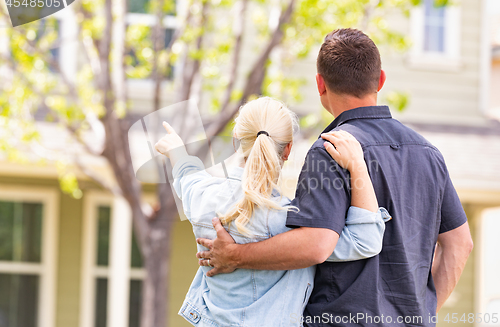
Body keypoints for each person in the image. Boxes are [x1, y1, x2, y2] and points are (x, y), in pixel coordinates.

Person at [196, 29, 473, 327]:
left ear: (320, 84)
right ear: (380, 79)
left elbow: (316, 244)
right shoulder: (428, 153)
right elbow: (460, 244)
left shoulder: (330, 149)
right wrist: (422, 314)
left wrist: (237, 255)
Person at [154, 96, 391, 327]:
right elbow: (364, 240)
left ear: (236, 141)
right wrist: (357, 165)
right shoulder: (292, 222)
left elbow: (188, 176)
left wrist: (177, 151)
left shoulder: (203, 197)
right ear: (288, 150)